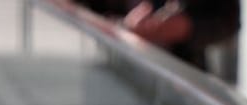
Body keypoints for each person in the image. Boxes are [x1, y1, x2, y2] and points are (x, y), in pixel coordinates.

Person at [80, 0, 238, 73]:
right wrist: (120, 28)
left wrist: (187, 28)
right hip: (112, 75)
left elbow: (229, 19)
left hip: (179, 82)